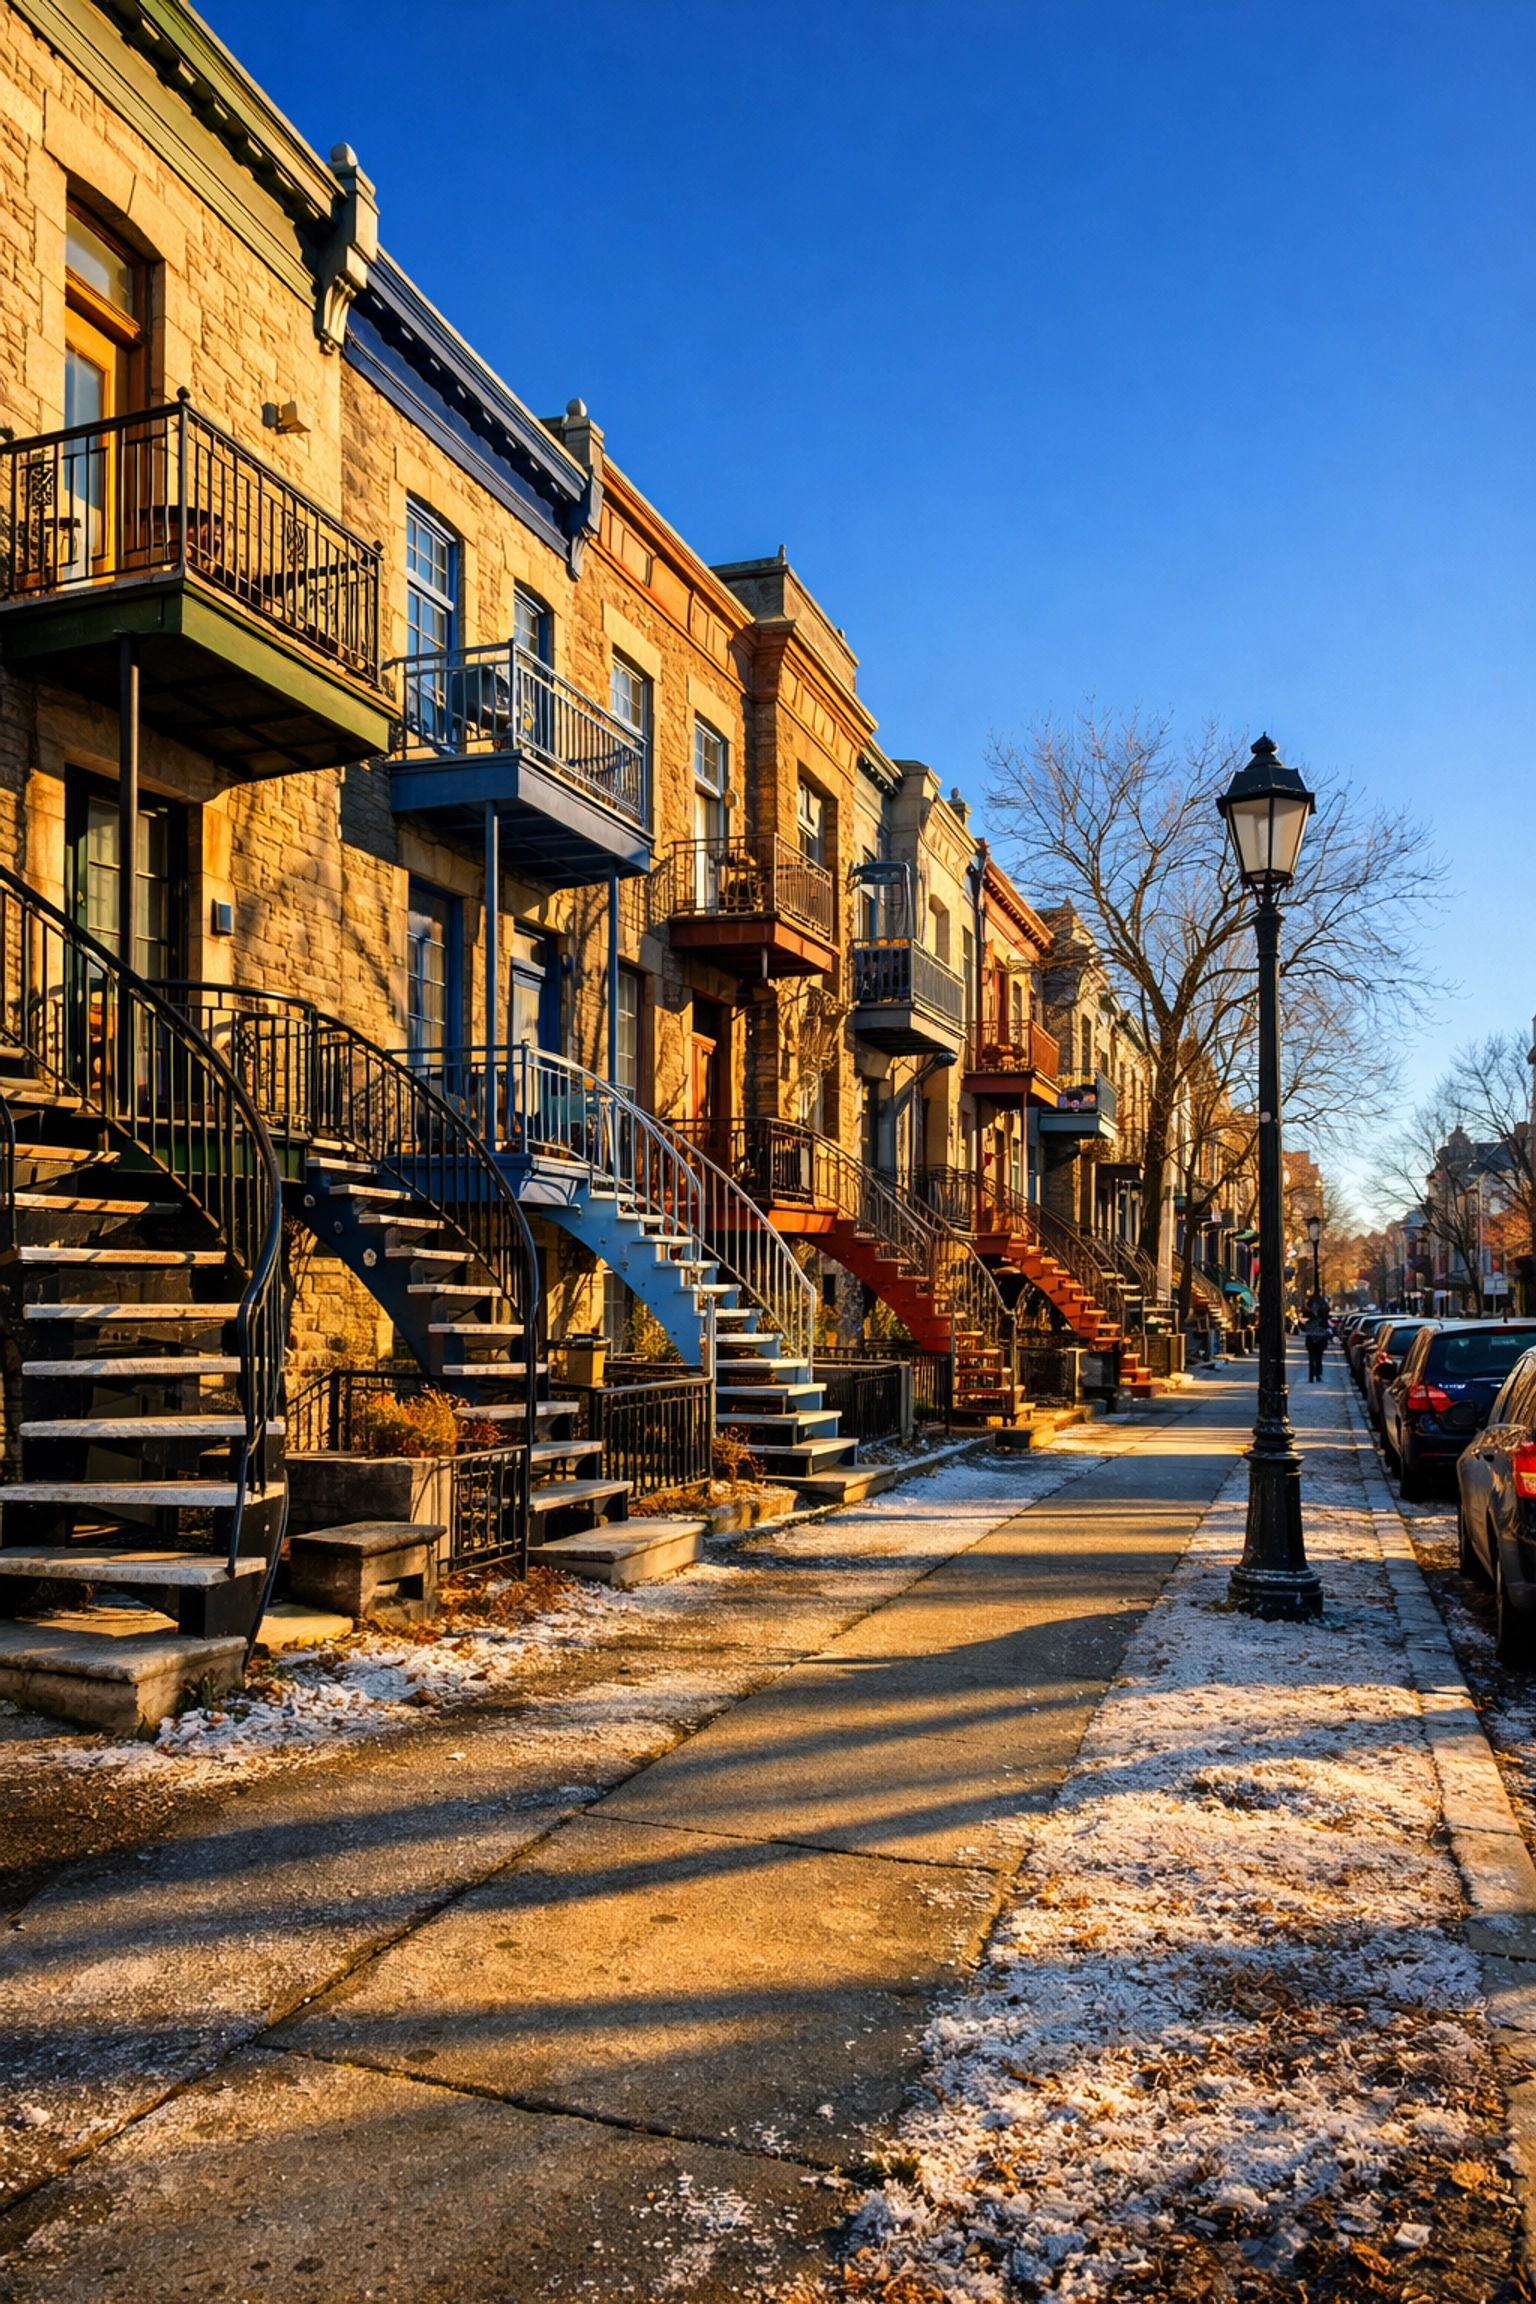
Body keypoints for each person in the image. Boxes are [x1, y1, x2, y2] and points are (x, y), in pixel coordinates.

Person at [1303, 1293, 1330, 1383]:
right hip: (1318, 1338)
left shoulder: (1310, 1317)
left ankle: (1314, 1375)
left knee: (1315, 1358)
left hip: (1313, 1338)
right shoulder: (1322, 1317)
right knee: (1318, 1358)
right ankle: (1316, 1374)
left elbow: (1304, 1327)